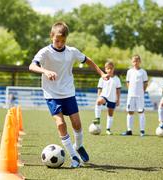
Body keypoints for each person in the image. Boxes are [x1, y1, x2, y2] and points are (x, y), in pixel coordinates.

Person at [29, 22, 108, 168]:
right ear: (51, 37)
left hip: (68, 93)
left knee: (77, 124)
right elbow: (32, 66)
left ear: (66, 39)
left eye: (63, 41)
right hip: (51, 94)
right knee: (60, 124)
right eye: (57, 40)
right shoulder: (45, 52)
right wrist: (45, 71)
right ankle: (73, 156)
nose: (60, 44)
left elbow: (88, 60)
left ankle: (78, 146)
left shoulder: (72, 51)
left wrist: (101, 73)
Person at [122, 55, 148, 137]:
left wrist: (141, 91)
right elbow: (128, 82)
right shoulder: (129, 71)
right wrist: (131, 91)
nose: (135, 62)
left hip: (140, 96)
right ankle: (129, 130)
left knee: (141, 111)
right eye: (134, 61)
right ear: (132, 62)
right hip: (131, 95)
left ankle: (142, 131)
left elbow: (145, 83)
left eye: (137, 61)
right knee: (130, 112)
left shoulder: (143, 72)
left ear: (140, 61)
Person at [93, 61, 121, 135]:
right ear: (105, 69)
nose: (109, 70)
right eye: (108, 68)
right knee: (98, 102)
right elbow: (99, 89)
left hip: (112, 98)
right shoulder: (102, 78)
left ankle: (108, 129)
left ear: (113, 69)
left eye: (111, 68)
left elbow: (118, 90)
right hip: (104, 96)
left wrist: (118, 99)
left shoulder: (116, 79)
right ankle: (97, 119)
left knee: (110, 114)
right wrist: (98, 97)